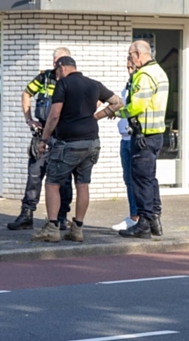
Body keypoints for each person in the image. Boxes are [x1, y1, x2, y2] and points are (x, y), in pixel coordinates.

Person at [31, 56, 123, 243]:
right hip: (91, 142)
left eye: (57, 72)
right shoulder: (93, 84)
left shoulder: (63, 84)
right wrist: (96, 117)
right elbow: (118, 102)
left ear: (62, 68)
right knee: (83, 185)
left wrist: (44, 139)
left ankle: (52, 228)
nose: (56, 76)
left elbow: (54, 115)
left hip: (69, 143)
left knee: (52, 183)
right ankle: (77, 229)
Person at [7, 48, 74, 231]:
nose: (56, 65)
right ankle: (26, 214)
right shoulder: (44, 78)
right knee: (34, 174)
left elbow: (93, 100)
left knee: (64, 179)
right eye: (54, 61)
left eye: (59, 61)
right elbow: (26, 94)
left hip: (62, 136)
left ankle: (61, 217)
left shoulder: (73, 81)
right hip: (43, 133)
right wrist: (29, 119)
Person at [116, 40, 169, 239]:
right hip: (155, 134)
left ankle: (144, 223)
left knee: (140, 180)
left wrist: (120, 112)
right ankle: (155, 219)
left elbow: (137, 105)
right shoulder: (159, 72)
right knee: (150, 178)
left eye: (130, 55)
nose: (130, 60)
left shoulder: (144, 75)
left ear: (139, 54)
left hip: (143, 135)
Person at [111, 60, 139, 231]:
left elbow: (133, 107)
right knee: (128, 179)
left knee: (136, 179)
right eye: (128, 68)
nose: (129, 71)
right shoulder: (129, 84)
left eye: (132, 67)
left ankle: (137, 217)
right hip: (125, 138)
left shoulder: (140, 84)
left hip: (135, 138)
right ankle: (134, 215)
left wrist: (116, 112)